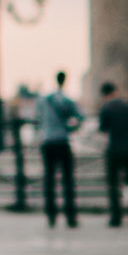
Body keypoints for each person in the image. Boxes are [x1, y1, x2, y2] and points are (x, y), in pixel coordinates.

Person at [36, 71, 82, 228]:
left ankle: (51, 215)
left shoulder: (44, 100)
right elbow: (80, 118)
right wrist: (70, 128)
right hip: (62, 141)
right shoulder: (68, 100)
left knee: (49, 180)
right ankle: (70, 216)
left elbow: (39, 119)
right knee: (67, 180)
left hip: (47, 141)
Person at [97, 80, 128, 224]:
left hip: (113, 149)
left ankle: (116, 217)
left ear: (104, 94)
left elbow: (103, 129)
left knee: (113, 185)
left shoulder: (105, 109)